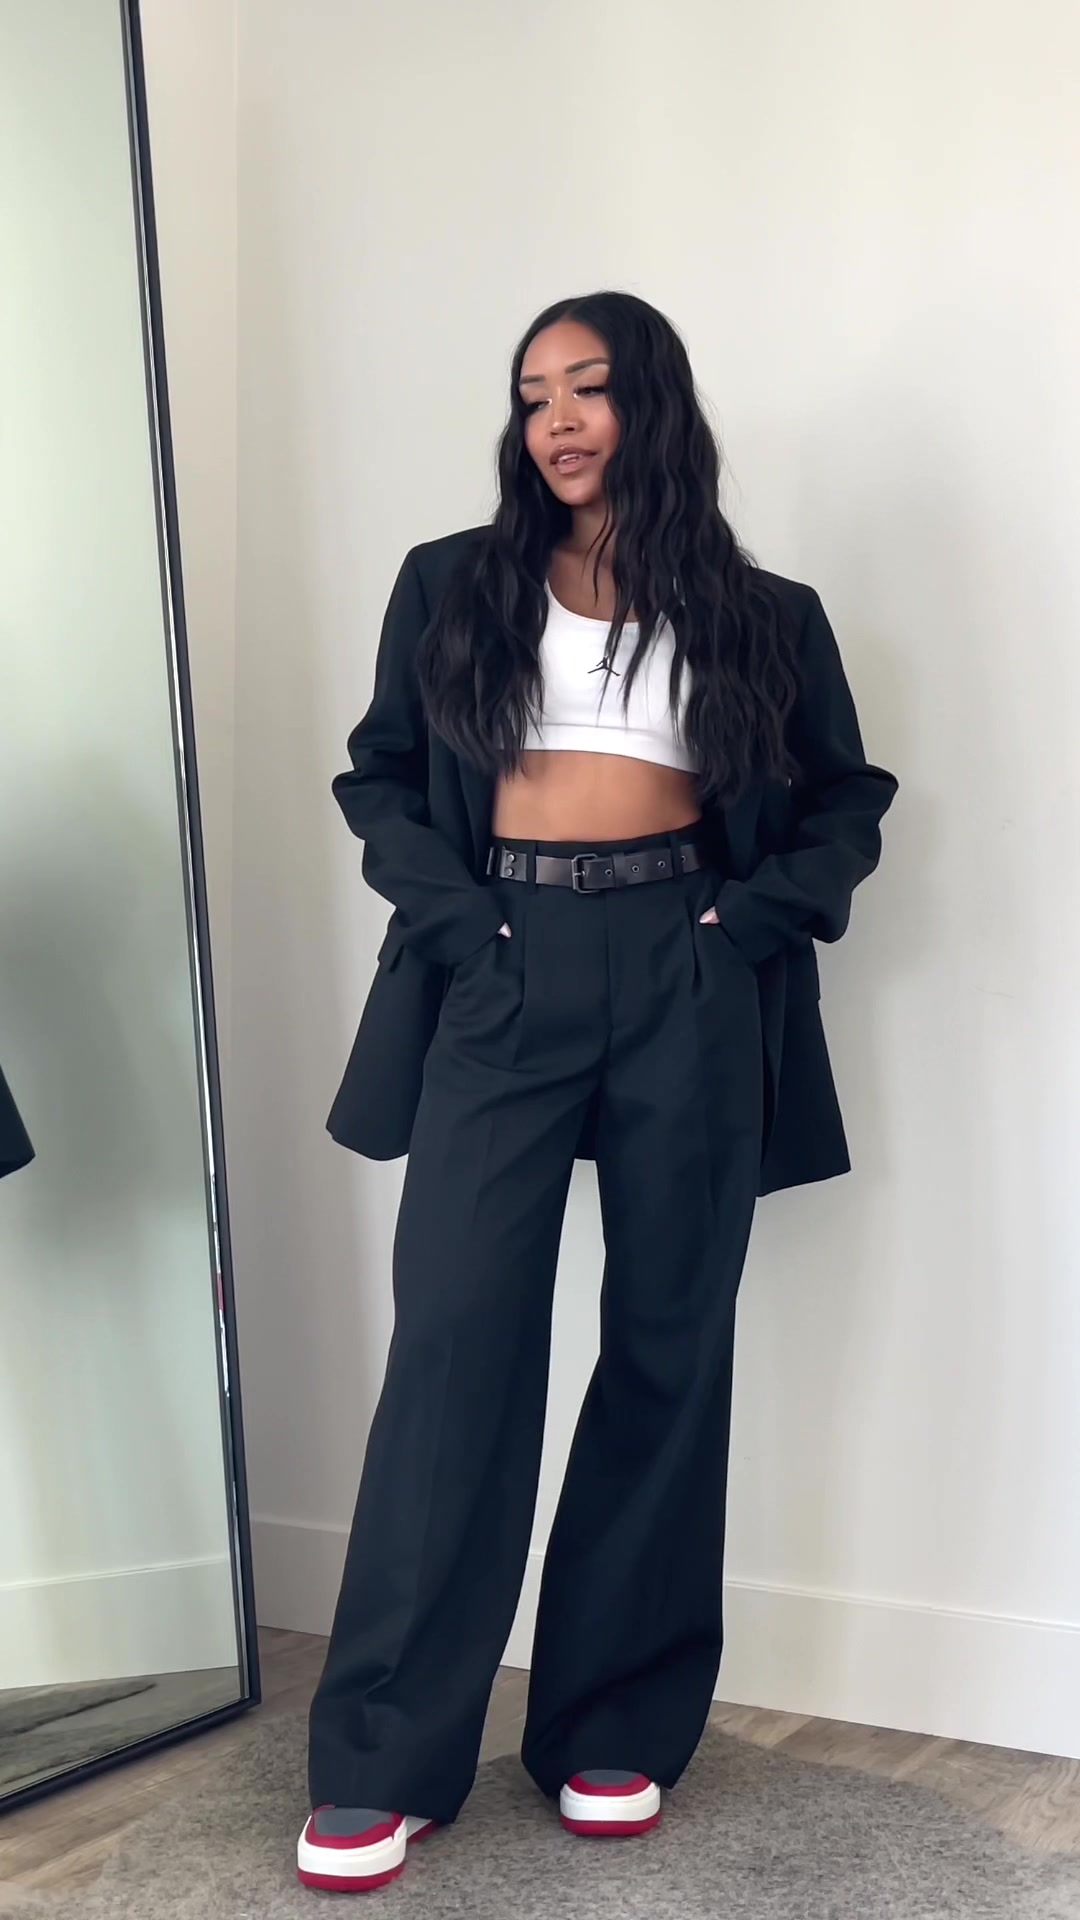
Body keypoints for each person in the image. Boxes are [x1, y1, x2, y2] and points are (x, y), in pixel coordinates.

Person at [298, 291, 897, 1894]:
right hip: (502, 962)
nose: (557, 419)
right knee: (457, 1344)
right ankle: (384, 1756)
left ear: (654, 404)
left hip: (690, 965)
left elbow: (846, 796)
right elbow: (379, 773)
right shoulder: (453, 582)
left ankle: (613, 1722)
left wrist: (746, 923)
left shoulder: (765, 612)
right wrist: (461, 924)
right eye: (533, 394)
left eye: (589, 387)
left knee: (667, 1346)